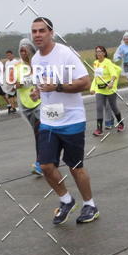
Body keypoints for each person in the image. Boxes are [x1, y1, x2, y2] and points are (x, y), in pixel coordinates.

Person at [31, 16, 99, 224]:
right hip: (49, 119)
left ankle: (90, 205)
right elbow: (43, 84)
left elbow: (85, 82)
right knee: (45, 166)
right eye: (34, 31)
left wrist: (57, 87)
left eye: (42, 31)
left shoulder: (65, 54)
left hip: (71, 119)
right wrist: (37, 91)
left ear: (51, 32)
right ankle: (66, 200)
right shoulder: (35, 60)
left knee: (75, 166)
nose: (37, 35)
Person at [16, 39, 43, 176]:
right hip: (26, 104)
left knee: (40, 132)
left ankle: (40, 163)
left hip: (40, 103)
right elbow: (11, 85)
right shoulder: (17, 68)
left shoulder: (38, 64)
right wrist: (18, 84)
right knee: (38, 133)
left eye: (25, 50)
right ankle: (47, 159)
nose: (23, 53)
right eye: (21, 50)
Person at [92, 45, 124, 135]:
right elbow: (96, 78)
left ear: (104, 53)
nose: (98, 53)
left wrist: (111, 82)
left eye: (100, 51)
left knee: (114, 107)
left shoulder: (108, 62)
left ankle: (120, 123)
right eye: (97, 51)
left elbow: (114, 73)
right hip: (100, 89)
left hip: (110, 89)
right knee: (99, 108)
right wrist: (93, 88)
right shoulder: (95, 63)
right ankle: (99, 129)